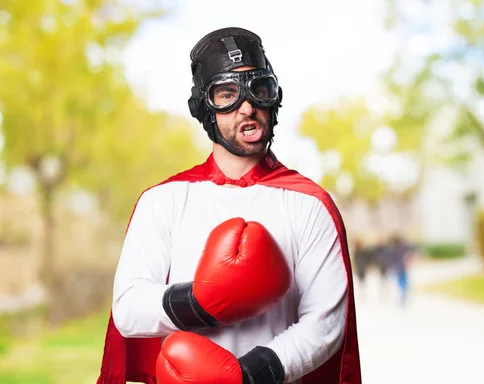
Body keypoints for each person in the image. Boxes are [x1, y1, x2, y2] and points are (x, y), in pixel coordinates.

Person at [95, 27, 361, 384]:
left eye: (258, 89)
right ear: (204, 108)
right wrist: (201, 300)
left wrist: (245, 376)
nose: (248, 106)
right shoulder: (163, 201)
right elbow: (127, 309)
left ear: (274, 97)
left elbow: (326, 324)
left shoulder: (309, 205)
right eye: (227, 94)